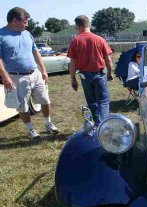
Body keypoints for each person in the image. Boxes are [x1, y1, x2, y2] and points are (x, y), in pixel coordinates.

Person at [0, 7, 59, 140]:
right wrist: (5, 77)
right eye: (25, 22)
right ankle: (31, 130)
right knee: (22, 106)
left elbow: (35, 52)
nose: (27, 24)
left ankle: (48, 124)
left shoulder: (27, 33)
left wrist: (43, 70)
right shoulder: (1, 35)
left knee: (45, 100)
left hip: (35, 74)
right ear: (14, 20)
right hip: (17, 77)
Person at [67, 15, 113, 125]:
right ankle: (102, 126)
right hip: (100, 74)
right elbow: (108, 60)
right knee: (103, 102)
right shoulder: (100, 39)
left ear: (78, 26)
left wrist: (73, 79)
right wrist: (110, 73)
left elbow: (72, 63)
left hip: (84, 76)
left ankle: (98, 124)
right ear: (89, 25)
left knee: (92, 102)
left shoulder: (75, 41)